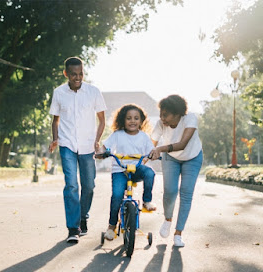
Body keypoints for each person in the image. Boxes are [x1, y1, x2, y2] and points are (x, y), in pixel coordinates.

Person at [48, 56, 107, 244]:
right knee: (72, 185)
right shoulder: (58, 93)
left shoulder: (93, 92)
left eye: (81, 73)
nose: (78, 77)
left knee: (89, 186)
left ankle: (83, 217)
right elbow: (55, 120)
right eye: (73, 74)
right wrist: (55, 139)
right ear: (66, 74)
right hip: (66, 145)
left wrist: (97, 140)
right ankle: (73, 228)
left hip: (88, 146)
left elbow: (102, 119)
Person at [149, 94, 203, 247]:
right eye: (161, 114)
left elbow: (183, 144)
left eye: (165, 115)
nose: (162, 118)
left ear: (178, 113)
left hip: (192, 157)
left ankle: (178, 233)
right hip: (171, 158)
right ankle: (167, 219)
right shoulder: (161, 124)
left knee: (186, 193)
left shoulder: (190, 119)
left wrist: (160, 148)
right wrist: (144, 158)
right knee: (170, 191)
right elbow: (150, 144)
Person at [100, 104, 157, 241]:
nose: (132, 121)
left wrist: (153, 154)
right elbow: (104, 147)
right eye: (129, 118)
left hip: (136, 168)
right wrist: (102, 153)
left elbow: (151, 150)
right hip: (120, 170)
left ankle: (146, 201)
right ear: (122, 120)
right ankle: (111, 227)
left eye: (136, 118)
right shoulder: (117, 135)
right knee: (117, 196)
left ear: (141, 121)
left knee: (150, 173)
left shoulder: (143, 136)